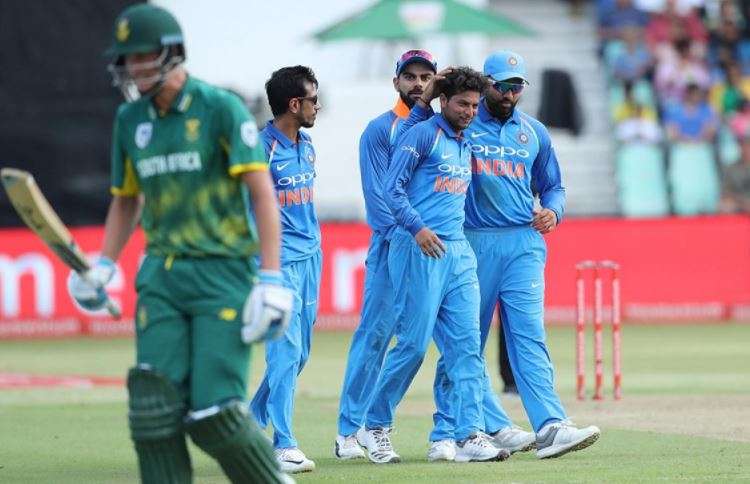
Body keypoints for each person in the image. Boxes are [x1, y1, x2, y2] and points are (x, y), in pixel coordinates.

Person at [66, 4, 294, 483]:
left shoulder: (219, 108)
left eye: (141, 56)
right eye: (126, 59)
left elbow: (261, 193)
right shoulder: (130, 119)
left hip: (222, 272)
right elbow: (126, 199)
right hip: (161, 276)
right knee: (153, 412)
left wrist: (271, 278)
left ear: (172, 52)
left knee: (214, 413)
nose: (132, 68)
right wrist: (104, 265)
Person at [359, 67, 510, 464]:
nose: (470, 112)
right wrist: (417, 227)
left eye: (475, 105)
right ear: (444, 101)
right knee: (412, 345)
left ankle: (468, 434)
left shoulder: (466, 141)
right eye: (462, 104)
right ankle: (374, 424)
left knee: (467, 347)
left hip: (458, 252)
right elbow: (390, 189)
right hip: (418, 248)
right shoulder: (423, 134)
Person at [462, 50, 600, 459]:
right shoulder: (463, 124)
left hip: (524, 243)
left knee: (528, 335)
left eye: (516, 86)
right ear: (485, 83)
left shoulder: (534, 132)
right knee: (466, 341)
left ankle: (552, 425)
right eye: (501, 86)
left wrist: (553, 211)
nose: (508, 94)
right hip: (473, 241)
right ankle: (485, 425)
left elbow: (553, 186)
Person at [334, 49, 445, 461]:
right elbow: (379, 197)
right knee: (376, 334)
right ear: (395, 81)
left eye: (426, 77)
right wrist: (407, 236)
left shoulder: (444, 127)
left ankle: (468, 429)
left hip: (437, 247)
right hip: (394, 244)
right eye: (410, 76)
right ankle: (350, 430)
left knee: (453, 339)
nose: (418, 84)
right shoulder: (381, 129)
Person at [249, 66, 322, 474]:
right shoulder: (261, 150)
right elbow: (248, 209)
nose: (318, 106)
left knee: (301, 353)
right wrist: (262, 265)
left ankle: (250, 421)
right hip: (279, 262)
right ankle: (284, 444)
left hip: (312, 257)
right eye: (313, 99)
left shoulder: (306, 145)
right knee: (285, 350)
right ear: (294, 104)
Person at [720, 134, 750, 213]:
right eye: (745, 146)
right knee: (725, 205)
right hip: (740, 203)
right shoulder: (732, 168)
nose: (747, 150)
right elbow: (726, 191)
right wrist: (743, 203)